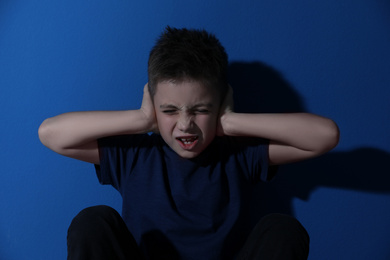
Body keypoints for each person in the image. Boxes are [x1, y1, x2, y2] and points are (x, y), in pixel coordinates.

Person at [38, 27, 339, 260]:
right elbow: (50, 133)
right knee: (93, 219)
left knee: (283, 228)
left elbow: (325, 136)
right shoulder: (133, 154)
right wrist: (142, 119)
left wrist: (230, 122)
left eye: (201, 110)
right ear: (154, 106)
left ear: (219, 105)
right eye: (169, 111)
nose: (185, 124)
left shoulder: (240, 155)